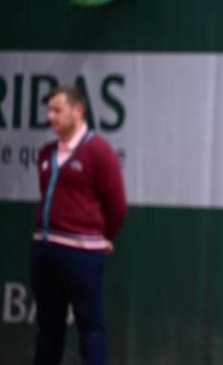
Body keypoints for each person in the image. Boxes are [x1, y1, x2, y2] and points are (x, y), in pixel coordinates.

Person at [31, 85, 127, 365]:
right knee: (48, 327)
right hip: (45, 252)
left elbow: (117, 204)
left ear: (78, 110)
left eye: (57, 110)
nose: (51, 116)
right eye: (48, 110)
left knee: (90, 326)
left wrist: (104, 237)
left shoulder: (99, 151)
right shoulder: (46, 153)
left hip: (82, 255)